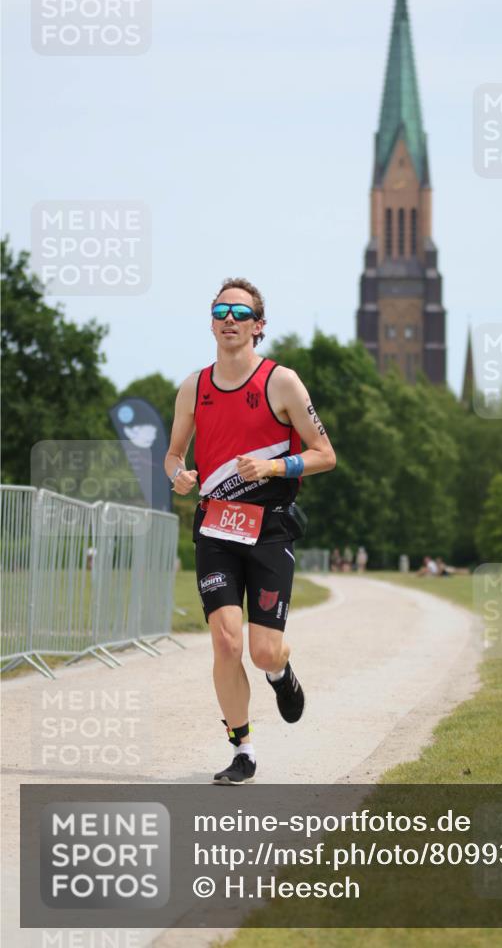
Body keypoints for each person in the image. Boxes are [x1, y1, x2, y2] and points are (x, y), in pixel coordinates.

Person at [165, 278, 336, 784]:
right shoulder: (194, 387)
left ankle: (280, 672)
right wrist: (178, 476)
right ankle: (243, 748)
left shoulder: (281, 382)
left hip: (269, 530)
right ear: (211, 322)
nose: (230, 319)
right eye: (221, 311)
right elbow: (173, 455)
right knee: (225, 642)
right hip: (216, 529)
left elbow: (325, 455)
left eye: (241, 313)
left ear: (258, 326)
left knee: (262, 651)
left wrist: (275, 468)